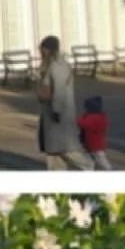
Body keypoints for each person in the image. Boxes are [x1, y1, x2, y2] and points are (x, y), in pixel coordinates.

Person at [35, 36, 92, 169]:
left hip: (59, 114)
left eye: (43, 49)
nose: (41, 51)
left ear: (49, 49)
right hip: (50, 113)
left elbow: (59, 90)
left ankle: (89, 167)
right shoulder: (48, 64)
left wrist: (56, 110)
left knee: (66, 148)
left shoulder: (58, 66)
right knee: (53, 151)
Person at [76, 94, 113, 169]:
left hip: (94, 145)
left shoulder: (92, 118)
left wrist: (81, 118)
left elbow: (81, 123)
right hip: (91, 145)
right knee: (90, 161)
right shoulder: (100, 117)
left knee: (102, 161)